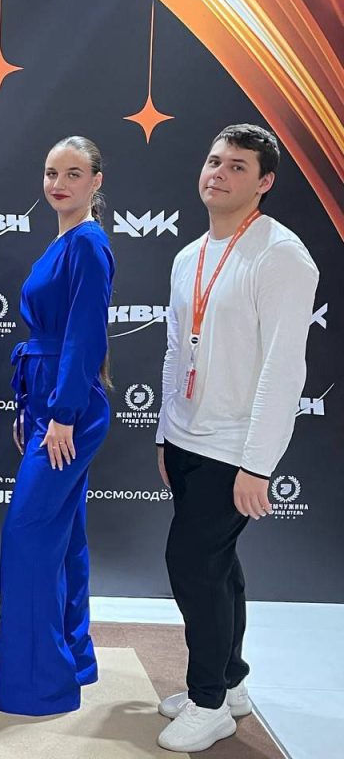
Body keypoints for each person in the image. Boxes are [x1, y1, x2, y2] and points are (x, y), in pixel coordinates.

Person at [154, 124, 318, 753]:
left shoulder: (280, 254)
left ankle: (208, 702)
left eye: (238, 166)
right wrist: (164, 432)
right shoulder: (188, 256)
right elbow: (176, 350)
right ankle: (230, 683)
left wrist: (258, 463)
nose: (219, 173)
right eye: (214, 160)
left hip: (234, 447)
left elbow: (284, 367)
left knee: (193, 566)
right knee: (217, 567)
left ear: (264, 182)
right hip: (187, 438)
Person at [0, 136, 115, 716]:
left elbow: (85, 334)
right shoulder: (65, 240)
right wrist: (32, 408)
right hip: (47, 399)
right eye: (50, 173)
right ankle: (74, 655)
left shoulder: (87, 243)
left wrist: (63, 414)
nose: (58, 183)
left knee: (28, 537)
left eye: (72, 173)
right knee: (65, 538)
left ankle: (42, 683)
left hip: (69, 407)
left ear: (96, 181)